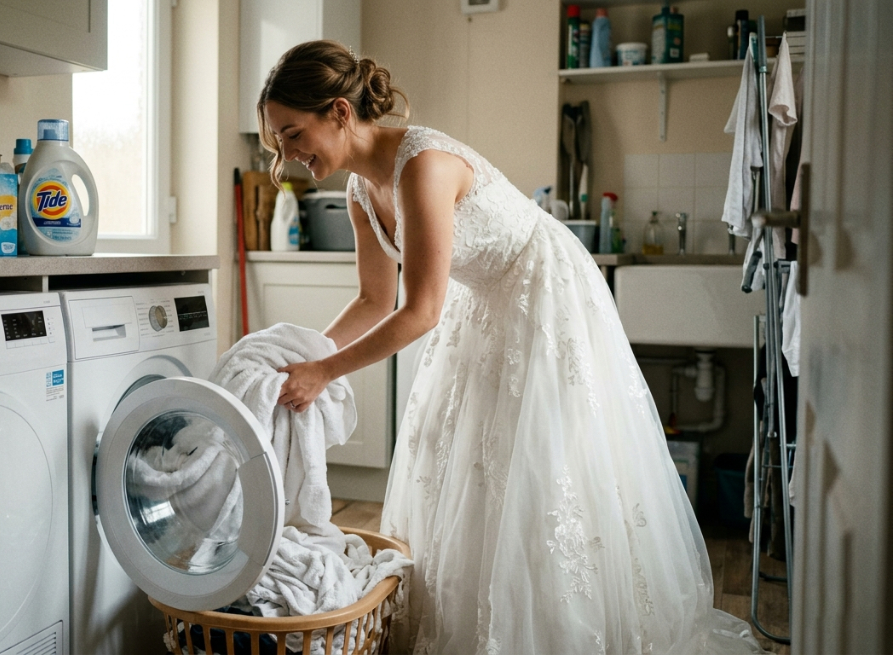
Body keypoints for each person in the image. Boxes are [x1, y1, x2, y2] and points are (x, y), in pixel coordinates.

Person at [261, 40, 765, 654]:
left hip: (543, 289)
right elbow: (373, 300)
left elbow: (419, 311)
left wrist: (324, 372)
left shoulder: (421, 164)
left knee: (545, 464)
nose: (287, 158)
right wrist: (302, 357)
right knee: (467, 461)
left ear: (339, 112)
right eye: (279, 143)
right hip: (482, 299)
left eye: (292, 135)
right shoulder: (362, 193)